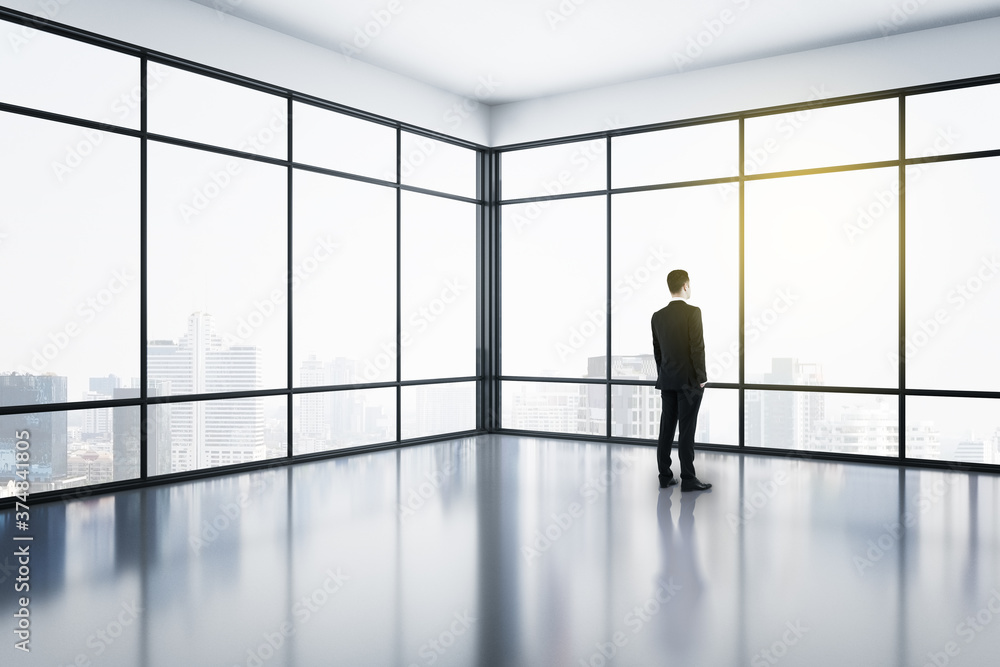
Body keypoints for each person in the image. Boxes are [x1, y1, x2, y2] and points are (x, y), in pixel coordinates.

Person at [651, 269, 711, 491]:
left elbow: (657, 352)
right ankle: (688, 478)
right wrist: (701, 377)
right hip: (689, 382)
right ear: (685, 286)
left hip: (667, 380)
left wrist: (663, 374)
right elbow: (697, 347)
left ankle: (665, 475)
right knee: (686, 429)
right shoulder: (693, 312)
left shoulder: (657, 316)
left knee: (666, 428)